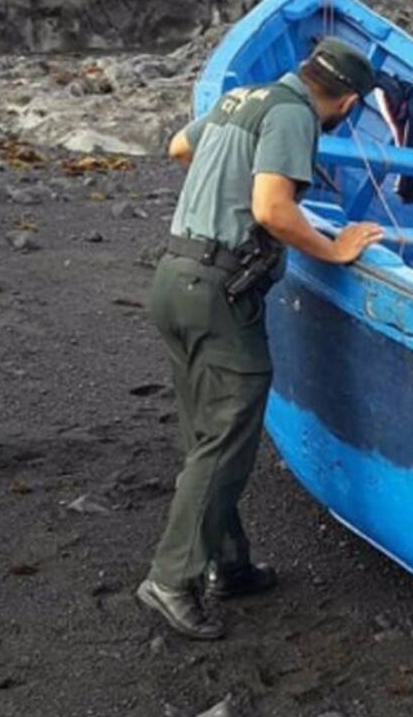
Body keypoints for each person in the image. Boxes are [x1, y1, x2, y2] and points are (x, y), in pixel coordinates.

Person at [137, 37, 384, 640]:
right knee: (226, 438)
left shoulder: (245, 97)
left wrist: (223, 194)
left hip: (174, 277)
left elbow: (178, 147)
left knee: (205, 430)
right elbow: (274, 210)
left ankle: (228, 564)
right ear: (347, 100)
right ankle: (171, 579)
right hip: (219, 292)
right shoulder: (295, 114)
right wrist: (334, 247)